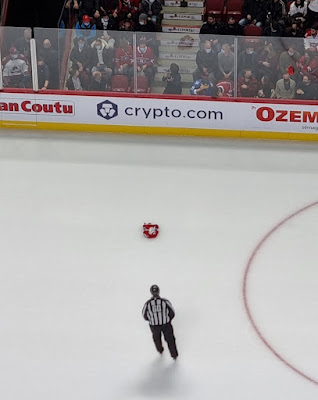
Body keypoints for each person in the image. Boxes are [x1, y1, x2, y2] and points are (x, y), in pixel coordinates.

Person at [142, 285, 178, 360]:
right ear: (159, 291)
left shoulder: (148, 304)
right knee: (170, 339)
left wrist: (152, 320)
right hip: (166, 324)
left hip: (154, 325)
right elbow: (172, 312)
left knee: (157, 338)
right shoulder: (165, 301)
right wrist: (168, 319)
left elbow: (144, 315)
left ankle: (160, 350)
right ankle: (174, 355)